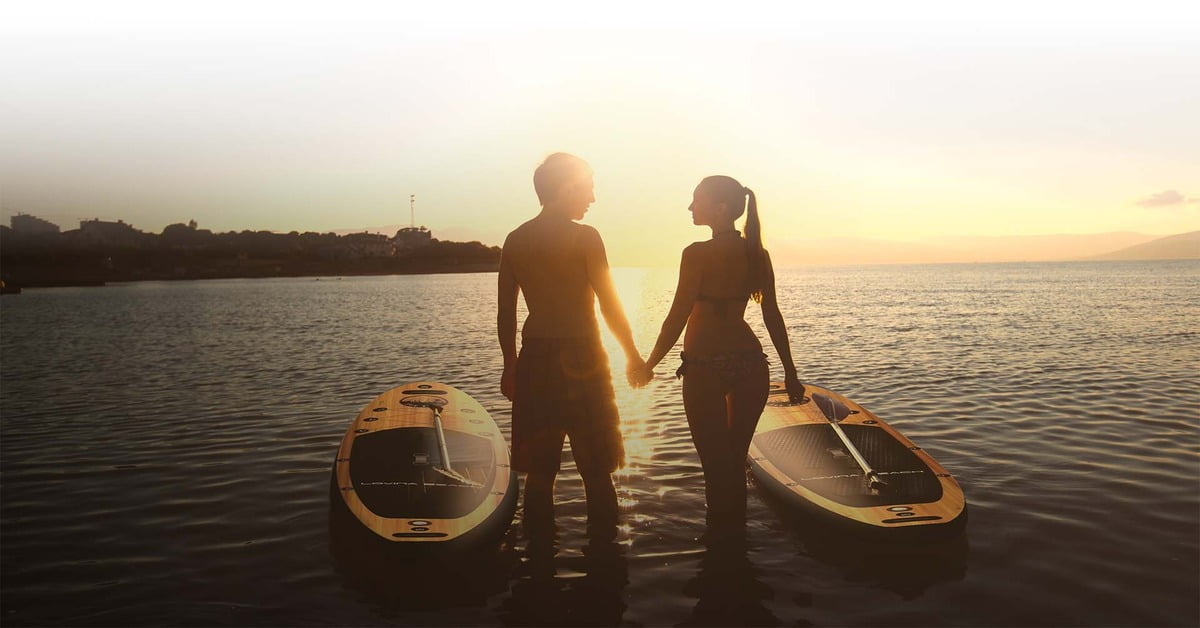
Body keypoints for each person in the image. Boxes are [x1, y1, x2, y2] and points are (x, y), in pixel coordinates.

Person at [640, 175, 804, 543]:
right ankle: (738, 545)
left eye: (696, 200)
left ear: (721, 208)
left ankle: (721, 550)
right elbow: (772, 316)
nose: (689, 207)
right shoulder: (755, 253)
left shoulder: (696, 254)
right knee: (734, 461)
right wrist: (790, 372)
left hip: (705, 366)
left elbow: (677, 316)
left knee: (717, 469)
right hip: (750, 363)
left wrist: (649, 364)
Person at [497, 152, 646, 543]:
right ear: (566, 188)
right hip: (584, 360)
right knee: (597, 472)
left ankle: (538, 571)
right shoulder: (586, 237)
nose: (592, 198)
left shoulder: (515, 240)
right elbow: (610, 304)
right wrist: (631, 355)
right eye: (588, 187)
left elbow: (506, 316)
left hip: (535, 362)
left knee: (540, 474)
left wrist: (510, 366)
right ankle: (605, 568)